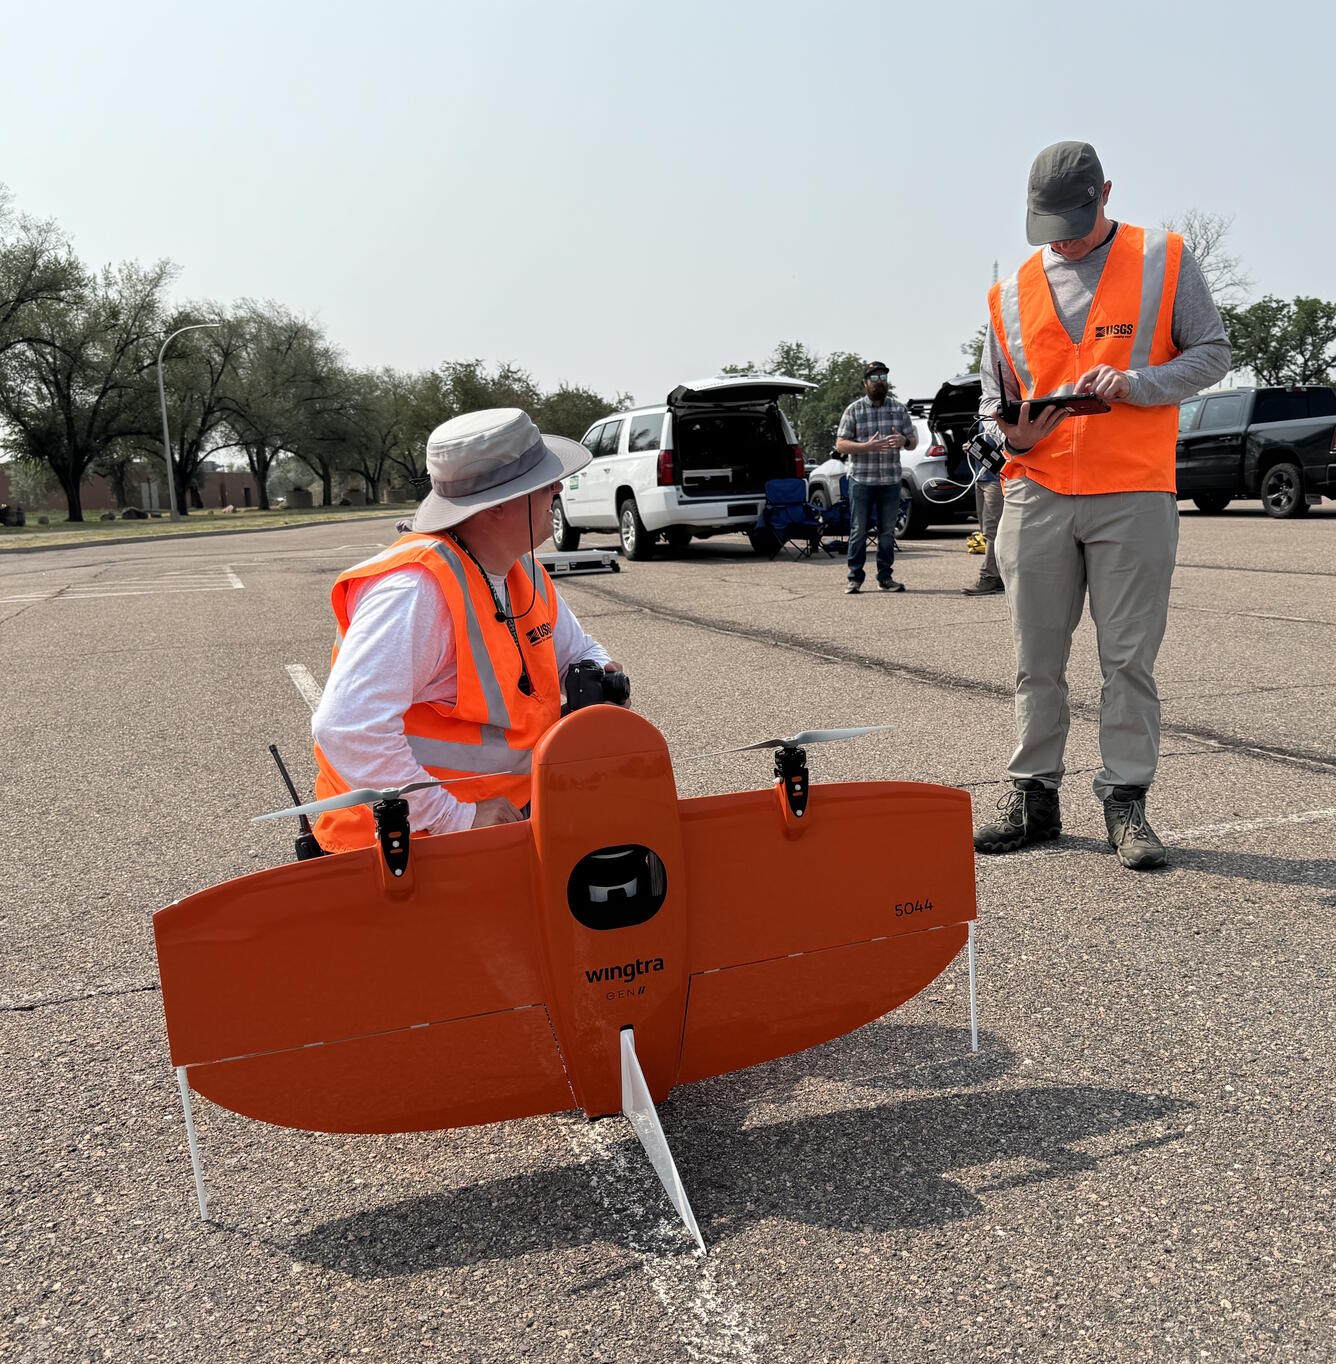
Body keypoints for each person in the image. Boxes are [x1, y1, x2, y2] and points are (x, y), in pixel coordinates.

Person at [972, 141, 1229, 870]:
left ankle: (1126, 803)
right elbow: (994, 398)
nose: (1061, 235)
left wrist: (1141, 383)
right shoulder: (1011, 290)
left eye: (1074, 220)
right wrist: (1008, 429)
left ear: (1106, 193)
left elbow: (1212, 352)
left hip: (1133, 491)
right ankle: (1033, 797)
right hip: (1038, 490)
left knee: (1128, 661)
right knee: (1035, 660)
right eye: (1047, 222)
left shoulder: (1164, 259)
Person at [310, 408, 626, 853]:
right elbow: (348, 727)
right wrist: (453, 818)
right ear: (497, 505)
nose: (557, 488)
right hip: (405, 853)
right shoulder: (415, 590)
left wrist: (599, 676)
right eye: (542, 482)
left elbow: (578, 651)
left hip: (493, 832)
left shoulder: (520, 570)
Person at [836, 361, 918, 593]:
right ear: (865, 383)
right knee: (859, 529)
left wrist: (904, 441)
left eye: (883, 377)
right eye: (874, 378)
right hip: (862, 480)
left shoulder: (899, 408)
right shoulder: (854, 410)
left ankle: (885, 577)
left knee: (887, 531)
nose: (879, 381)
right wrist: (867, 446)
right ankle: (854, 578)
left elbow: (913, 442)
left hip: (891, 481)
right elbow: (840, 444)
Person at [962, 454, 1004, 595]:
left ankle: (989, 576)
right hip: (981, 476)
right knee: (985, 529)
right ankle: (998, 576)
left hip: (997, 477)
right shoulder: (981, 429)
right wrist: (974, 446)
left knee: (992, 530)